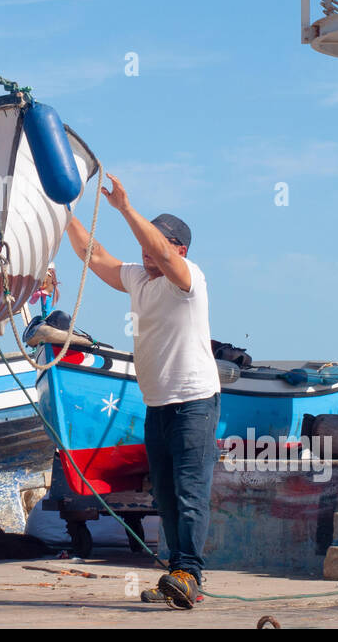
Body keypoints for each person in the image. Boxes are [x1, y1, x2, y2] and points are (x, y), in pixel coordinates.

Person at [65, 174, 221, 610]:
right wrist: (62, 212)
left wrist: (125, 209)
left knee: (190, 493)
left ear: (179, 250)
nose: (144, 251)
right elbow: (92, 254)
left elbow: (163, 255)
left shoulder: (187, 280)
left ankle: (190, 574)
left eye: (156, 244)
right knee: (166, 496)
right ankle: (177, 574)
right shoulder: (139, 279)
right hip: (157, 404)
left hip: (194, 403)